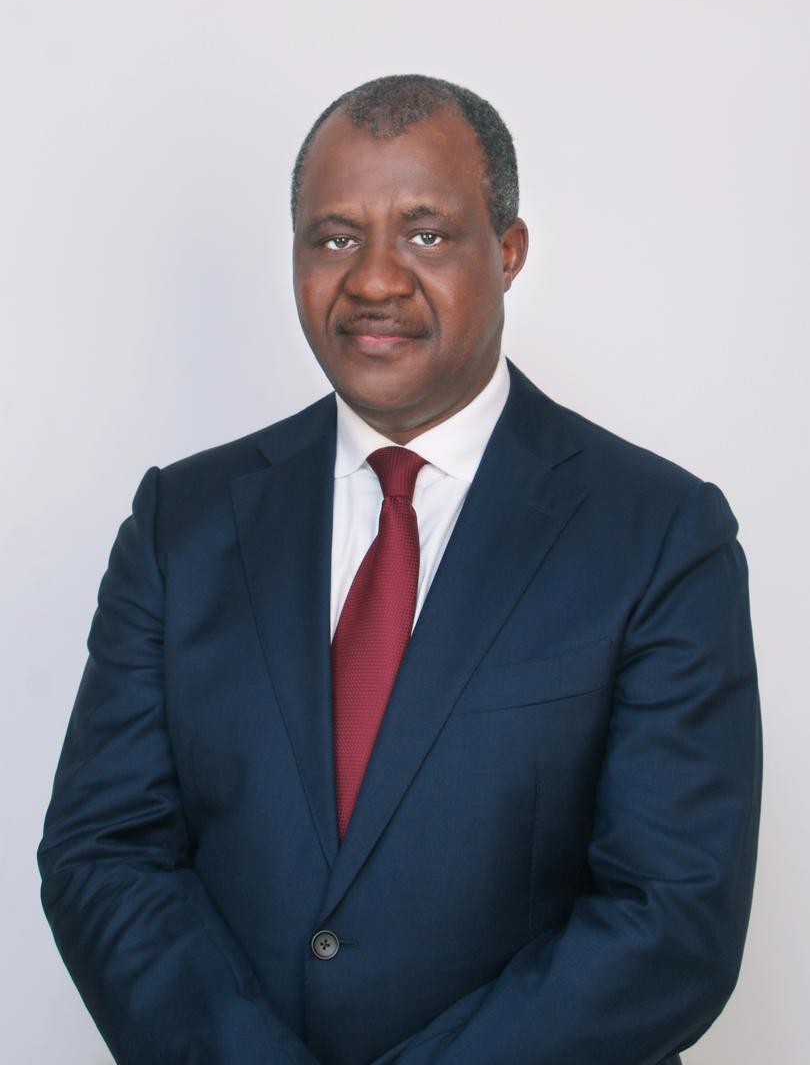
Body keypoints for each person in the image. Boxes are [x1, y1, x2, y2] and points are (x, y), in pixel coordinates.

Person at [38, 74, 762, 1065]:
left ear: (508, 252)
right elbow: (104, 852)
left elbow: (672, 919)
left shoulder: (662, 535)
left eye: (426, 233)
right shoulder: (183, 522)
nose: (374, 280)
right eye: (336, 238)